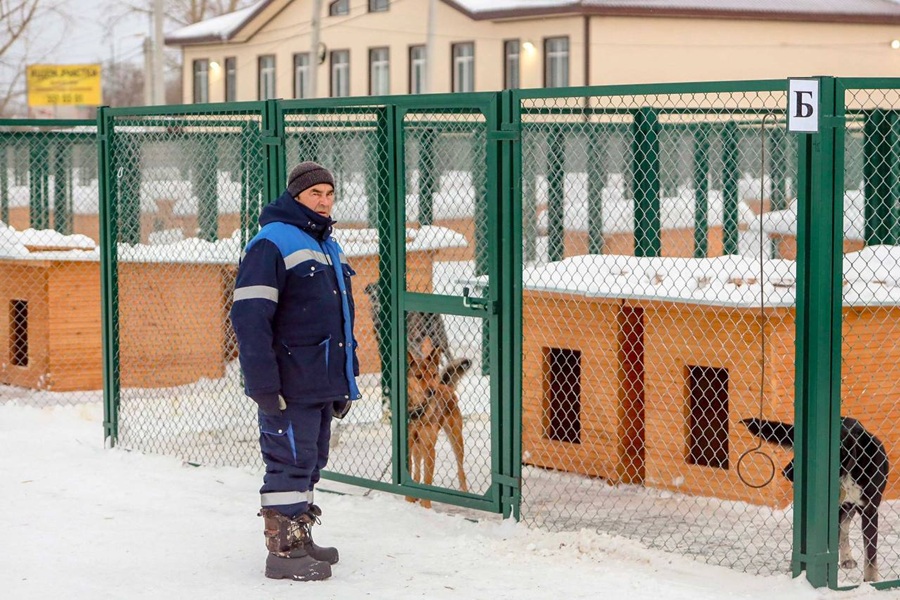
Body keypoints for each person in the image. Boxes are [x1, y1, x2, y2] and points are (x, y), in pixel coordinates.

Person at [230, 161, 361, 582]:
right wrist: (263, 383)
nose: (323, 202)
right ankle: (282, 553)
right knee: (287, 461)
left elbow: (340, 317)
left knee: (310, 459)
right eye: (314, 195)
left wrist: (344, 375)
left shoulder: (327, 244)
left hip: (319, 379)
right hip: (288, 380)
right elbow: (250, 318)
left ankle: (299, 534)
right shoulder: (271, 243)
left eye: (329, 194)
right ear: (295, 197)